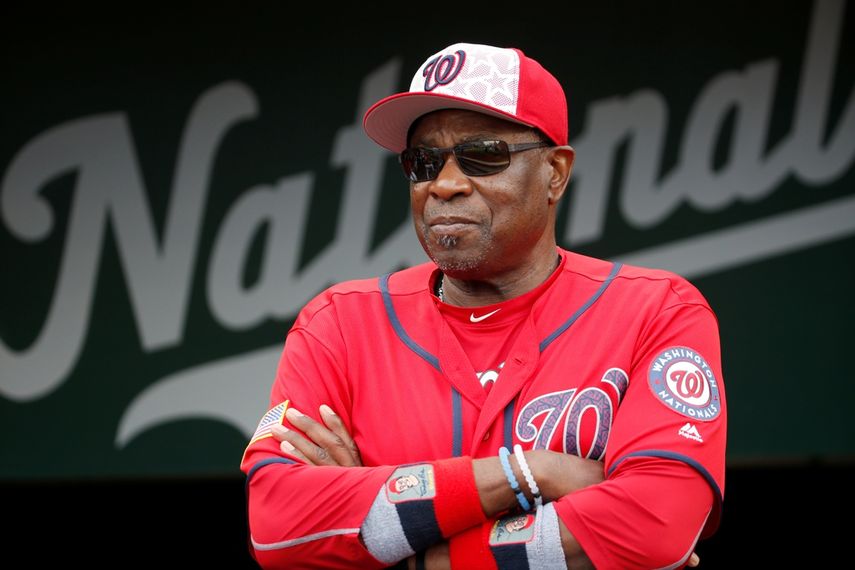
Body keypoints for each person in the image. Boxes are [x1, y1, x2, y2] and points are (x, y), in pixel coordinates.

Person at [240, 42, 726, 569]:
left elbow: (655, 527)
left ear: (555, 173)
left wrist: (421, 551)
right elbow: (278, 529)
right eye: (423, 162)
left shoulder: (656, 310)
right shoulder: (338, 324)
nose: (444, 185)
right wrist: (532, 474)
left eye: (484, 155)